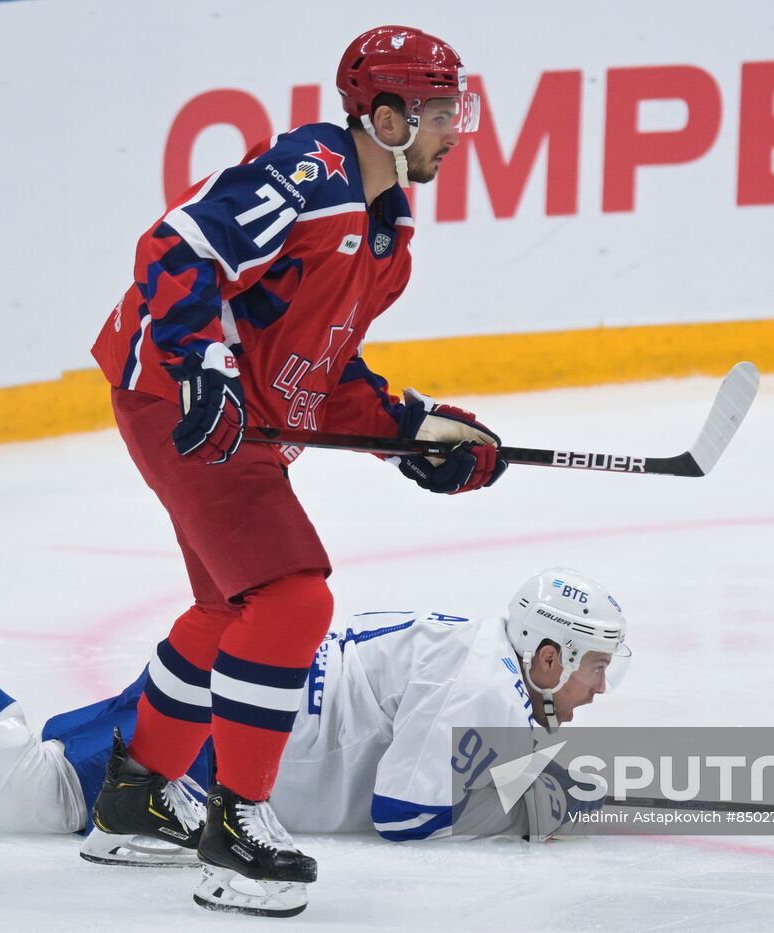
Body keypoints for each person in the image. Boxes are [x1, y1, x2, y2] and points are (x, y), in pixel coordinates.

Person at [84, 23, 506, 915]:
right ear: (384, 116)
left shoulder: (387, 234)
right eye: (437, 110)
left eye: (455, 108)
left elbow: (315, 372)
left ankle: (137, 796)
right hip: (179, 396)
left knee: (224, 607)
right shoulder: (312, 175)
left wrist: (415, 429)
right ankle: (237, 829)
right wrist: (199, 360)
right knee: (291, 597)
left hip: (217, 403)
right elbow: (177, 249)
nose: (454, 129)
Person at [0, 558, 630, 917]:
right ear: (546, 651)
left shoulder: (479, 659)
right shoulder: (484, 677)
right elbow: (405, 811)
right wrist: (522, 810)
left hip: (234, 702)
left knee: (43, 770)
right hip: (228, 731)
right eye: (592, 666)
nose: (596, 690)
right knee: (35, 795)